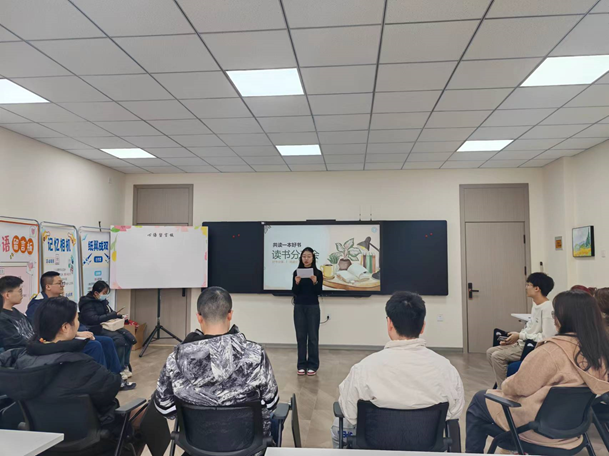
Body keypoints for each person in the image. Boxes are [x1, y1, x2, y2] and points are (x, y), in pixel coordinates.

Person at [466, 290, 609, 453]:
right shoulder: (599, 351)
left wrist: (505, 384)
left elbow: (517, 387)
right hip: (574, 430)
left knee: (479, 399)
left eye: (555, 313)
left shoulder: (551, 351)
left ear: (562, 318)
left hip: (538, 429)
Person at [0, 297, 144, 451]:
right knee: (144, 413)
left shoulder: (22, 361)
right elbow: (111, 386)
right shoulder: (82, 365)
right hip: (89, 442)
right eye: (76, 320)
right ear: (65, 327)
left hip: (43, 443)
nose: (78, 324)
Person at [331, 291, 465, 448]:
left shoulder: (363, 369)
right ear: (422, 326)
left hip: (375, 448)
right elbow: (454, 413)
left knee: (338, 427)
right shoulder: (446, 369)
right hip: (425, 448)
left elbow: (350, 413)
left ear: (389, 324)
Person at [154, 287, 280, 441]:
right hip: (250, 446)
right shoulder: (256, 354)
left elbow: (165, 408)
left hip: (197, 447)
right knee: (274, 420)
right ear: (230, 314)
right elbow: (271, 403)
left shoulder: (175, 359)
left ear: (199, 317)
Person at [25, 272, 134, 388]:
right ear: (48, 286)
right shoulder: (37, 304)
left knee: (107, 341)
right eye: (59, 283)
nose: (62, 286)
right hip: (56, 340)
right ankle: (102, 383)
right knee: (95, 345)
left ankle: (115, 377)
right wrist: (77, 333)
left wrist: (83, 331)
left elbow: (74, 321)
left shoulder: (62, 300)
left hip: (72, 334)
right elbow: (43, 328)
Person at [486, 272, 555, 388]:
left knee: (497, 356)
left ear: (537, 288)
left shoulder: (548, 308)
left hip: (533, 347)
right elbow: (530, 328)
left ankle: (504, 390)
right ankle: (506, 384)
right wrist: (516, 337)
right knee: (490, 352)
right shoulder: (536, 305)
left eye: (528, 285)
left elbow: (546, 337)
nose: (526, 288)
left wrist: (520, 336)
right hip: (523, 343)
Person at [79, 281, 135, 380]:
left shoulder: (103, 301)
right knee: (119, 339)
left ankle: (124, 365)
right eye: (104, 293)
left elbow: (109, 313)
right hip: (94, 328)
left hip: (107, 325)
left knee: (129, 337)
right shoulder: (87, 303)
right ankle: (119, 368)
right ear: (96, 293)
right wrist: (112, 315)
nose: (105, 295)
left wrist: (119, 316)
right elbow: (93, 319)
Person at [292, 247, 323, 376]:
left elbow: (318, 292)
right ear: (301, 258)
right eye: (304, 256)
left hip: (313, 307)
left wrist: (315, 282)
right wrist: (297, 283)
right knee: (301, 337)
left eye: (309, 256)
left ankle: (313, 365)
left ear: (313, 258)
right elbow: (294, 292)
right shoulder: (296, 272)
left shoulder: (318, 273)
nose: (306, 259)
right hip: (299, 306)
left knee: (313, 337)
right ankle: (301, 365)